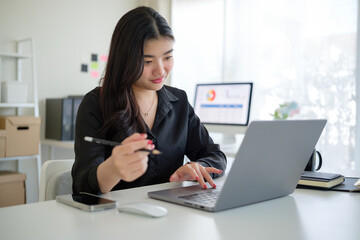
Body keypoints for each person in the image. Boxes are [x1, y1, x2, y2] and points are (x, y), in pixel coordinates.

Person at [72, 6, 227, 195]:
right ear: (125, 60)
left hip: (171, 215)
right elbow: (81, 186)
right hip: (115, 218)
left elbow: (215, 155)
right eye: (147, 62)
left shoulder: (179, 101)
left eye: (167, 57)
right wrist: (112, 169)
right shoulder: (95, 104)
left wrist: (198, 167)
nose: (161, 70)